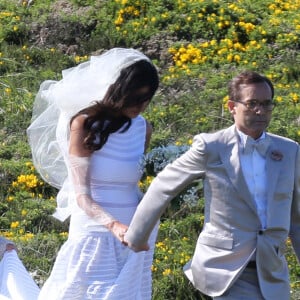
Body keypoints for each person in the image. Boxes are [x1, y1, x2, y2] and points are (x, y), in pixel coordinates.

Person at [124, 70, 300, 299]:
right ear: (231, 106)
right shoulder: (212, 146)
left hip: (272, 272)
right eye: (252, 103)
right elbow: (164, 185)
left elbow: (296, 218)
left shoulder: (289, 150)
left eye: (267, 104)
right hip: (226, 270)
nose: (260, 111)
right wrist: (137, 237)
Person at [27, 48, 159, 299]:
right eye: (136, 98)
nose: (141, 106)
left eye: (147, 99)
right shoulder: (84, 124)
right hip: (94, 230)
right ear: (120, 90)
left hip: (134, 233)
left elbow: (133, 182)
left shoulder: (143, 128)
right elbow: (82, 196)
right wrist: (113, 225)